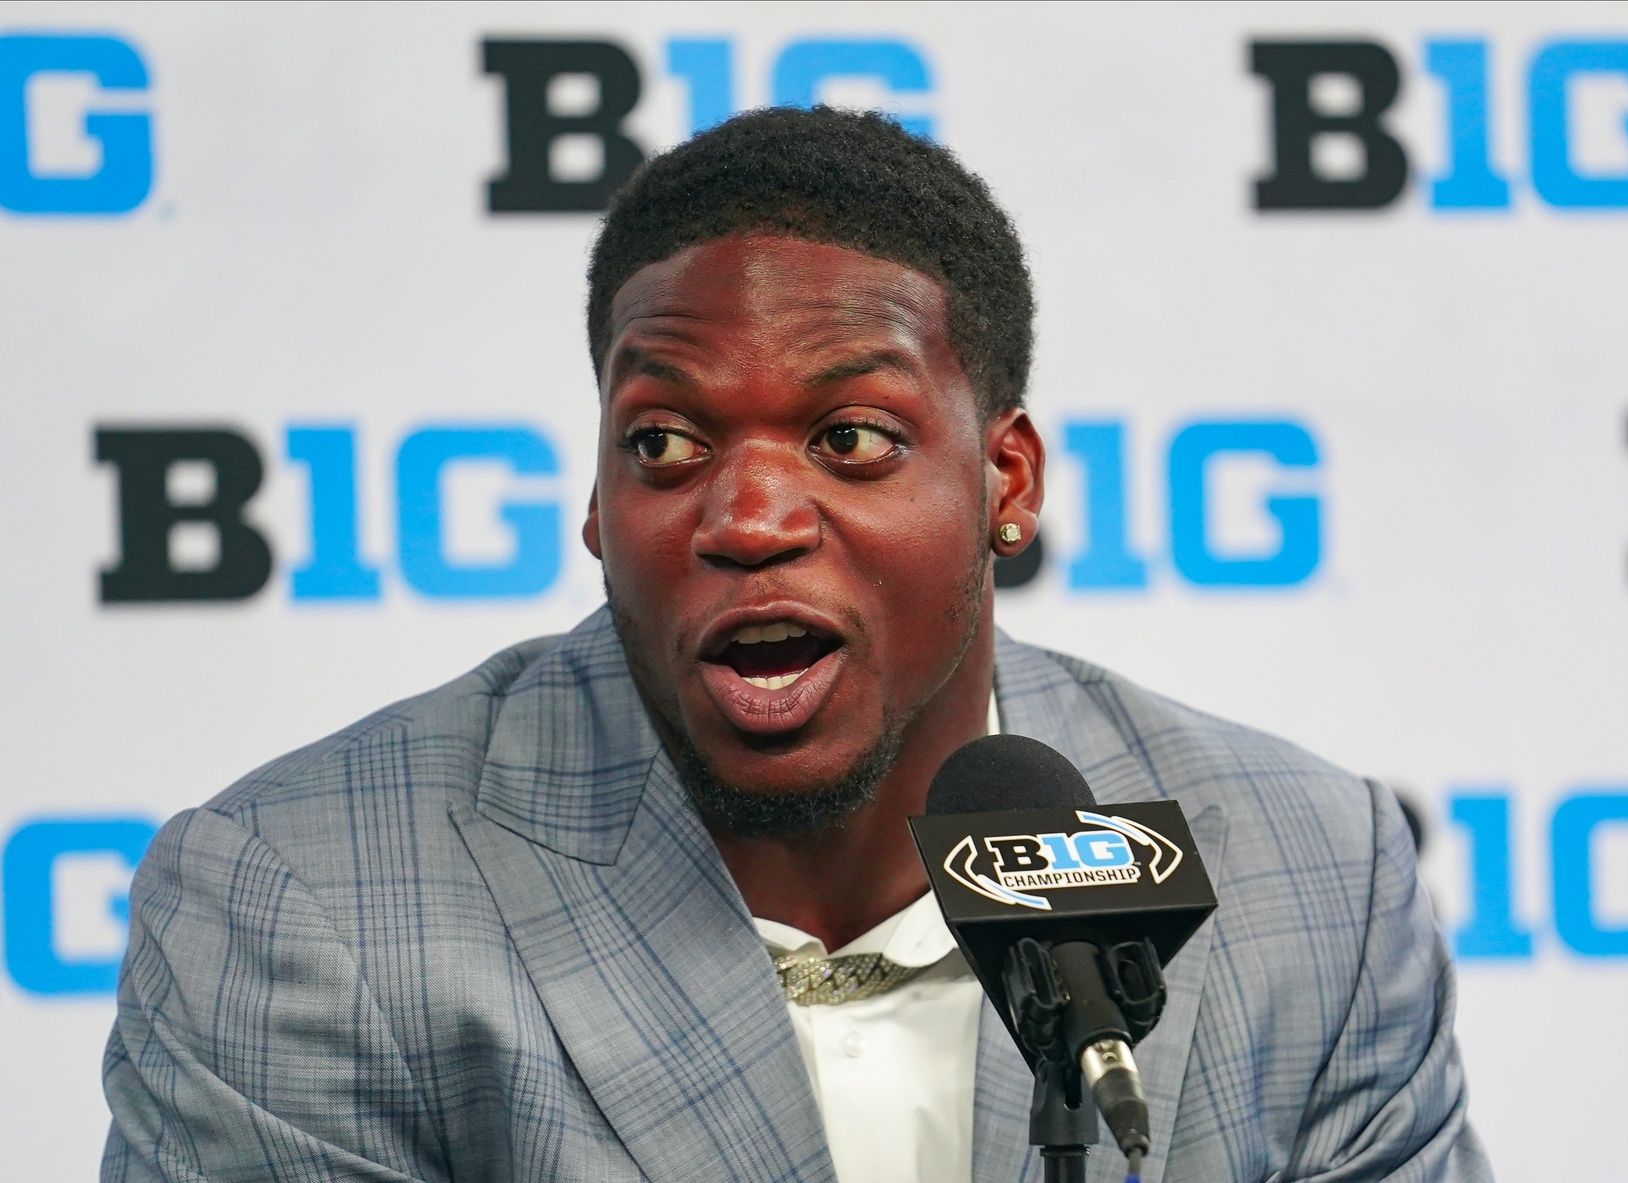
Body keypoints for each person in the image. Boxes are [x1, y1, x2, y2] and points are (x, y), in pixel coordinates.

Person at [102, 107, 1491, 1183]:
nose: (749, 514)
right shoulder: (304, 910)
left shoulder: (1306, 876)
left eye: (851, 440)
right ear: (596, 505)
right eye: (665, 441)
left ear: (1004, 483)